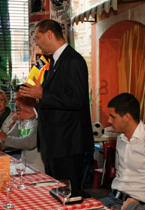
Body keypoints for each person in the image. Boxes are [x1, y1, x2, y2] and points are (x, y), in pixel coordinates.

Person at [19, 19, 94, 191]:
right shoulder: (53, 62)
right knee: (56, 193)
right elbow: (56, 99)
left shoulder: (73, 60)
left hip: (67, 143)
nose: (37, 43)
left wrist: (42, 94)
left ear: (50, 34)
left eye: (38, 38)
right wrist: (35, 112)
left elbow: (77, 100)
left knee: (68, 194)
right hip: (55, 143)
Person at [98, 93, 145, 208]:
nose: (109, 120)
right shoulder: (121, 137)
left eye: (113, 117)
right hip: (114, 197)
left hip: (138, 204)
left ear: (127, 117)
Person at [0, 87, 44, 172]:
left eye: (20, 99)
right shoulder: (22, 116)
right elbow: (11, 136)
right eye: (16, 100)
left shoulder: (38, 117)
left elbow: (30, 142)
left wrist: (5, 138)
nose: (17, 104)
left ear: (31, 98)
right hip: (24, 165)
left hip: (38, 169)